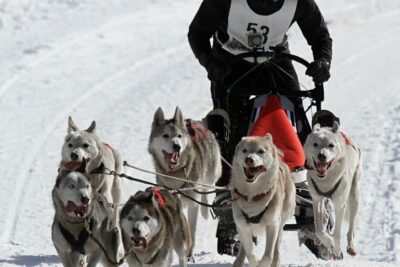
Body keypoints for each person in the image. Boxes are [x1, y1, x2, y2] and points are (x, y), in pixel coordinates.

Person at [188, 0, 333, 256]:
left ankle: (309, 189)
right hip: (230, 63)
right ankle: (227, 199)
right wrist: (209, 63)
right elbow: (197, 33)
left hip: (276, 59)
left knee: (299, 119)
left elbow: (319, 35)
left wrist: (323, 62)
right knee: (230, 131)